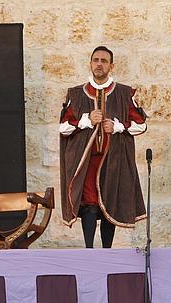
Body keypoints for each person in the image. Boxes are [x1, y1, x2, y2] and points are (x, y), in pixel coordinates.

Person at [59, 46, 147, 248]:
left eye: (104, 61)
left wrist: (117, 126)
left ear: (111, 66)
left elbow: (141, 124)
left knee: (109, 201)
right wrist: (86, 120)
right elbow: (63, 128)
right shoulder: (76, 94)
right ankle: (89, 250)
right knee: (89, 204)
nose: (99, 64)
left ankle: (107, 251)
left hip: (113, 158)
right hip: (87, 159)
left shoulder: (125, 93)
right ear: (90, 64)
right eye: (96, 60)